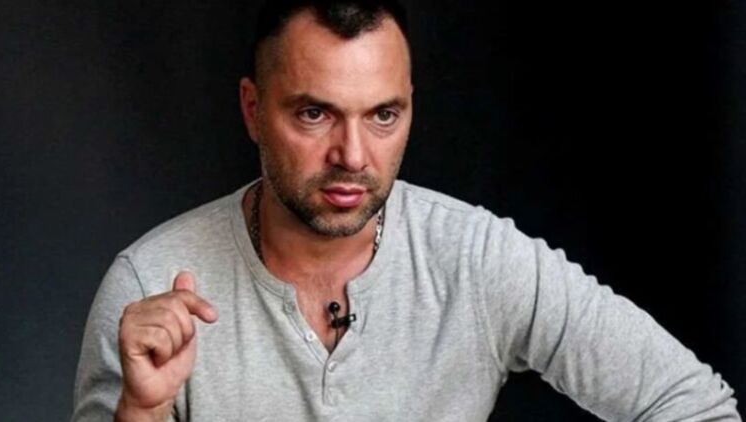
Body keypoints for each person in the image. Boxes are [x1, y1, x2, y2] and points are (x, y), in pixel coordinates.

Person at [71, 1, 741, 421]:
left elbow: (695, 408)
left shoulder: (475, 259)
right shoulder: (150, 283)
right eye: (314, 114)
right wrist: (142, 411)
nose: (353, 155)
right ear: (253, 110)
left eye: (383, 115)